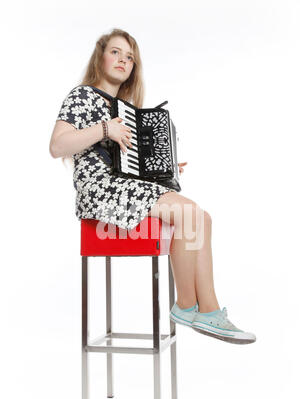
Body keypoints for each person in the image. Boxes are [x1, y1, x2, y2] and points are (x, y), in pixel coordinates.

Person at [49, 28, 256, 345]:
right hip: (99, 190)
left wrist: (163, 168)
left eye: (129, 57)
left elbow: (128, 165)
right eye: (116, 52)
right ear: (100, 56)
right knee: (188, 214)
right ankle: (188, 307)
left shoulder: (124, 108)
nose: (123, 60)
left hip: (123, 186)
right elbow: (57, 146)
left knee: (203, 218)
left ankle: (208, 311)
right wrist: (105, 128)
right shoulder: (82, 96)